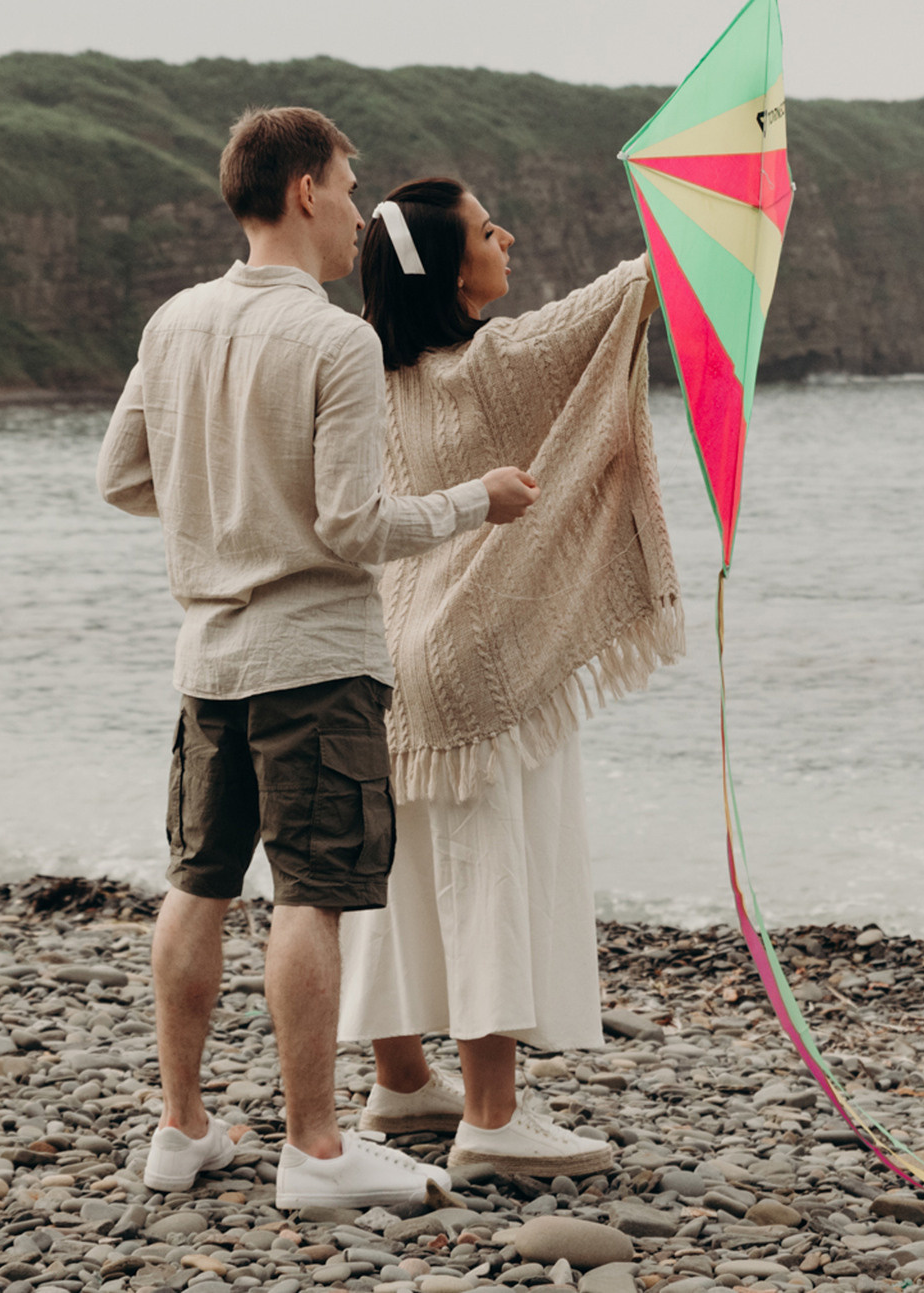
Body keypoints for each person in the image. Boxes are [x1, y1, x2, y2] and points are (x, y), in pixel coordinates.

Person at [98, 112, 541, 1208]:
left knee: (197, 882)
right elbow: (351, 526)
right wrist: (473, 502)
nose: (356, 211)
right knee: (312, 893)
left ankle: (181, 1127)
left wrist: (222, 510)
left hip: (205, 656)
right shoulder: (335, 339)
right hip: (314, 658)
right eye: (346, 187)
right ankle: (316, 1147)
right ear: (302, 189)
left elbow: (120, 476)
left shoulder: (173, 321)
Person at [337, 178, 684, 1181]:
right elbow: (636, 290)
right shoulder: (493, 362)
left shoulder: (368, 380)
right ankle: (491, 1114)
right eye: (491, 229)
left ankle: (401, 1078)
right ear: (455, 267)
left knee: (399, 879)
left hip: (391, 653)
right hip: (475, 663)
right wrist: (712, 198)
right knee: (487, 876)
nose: (510, 235)